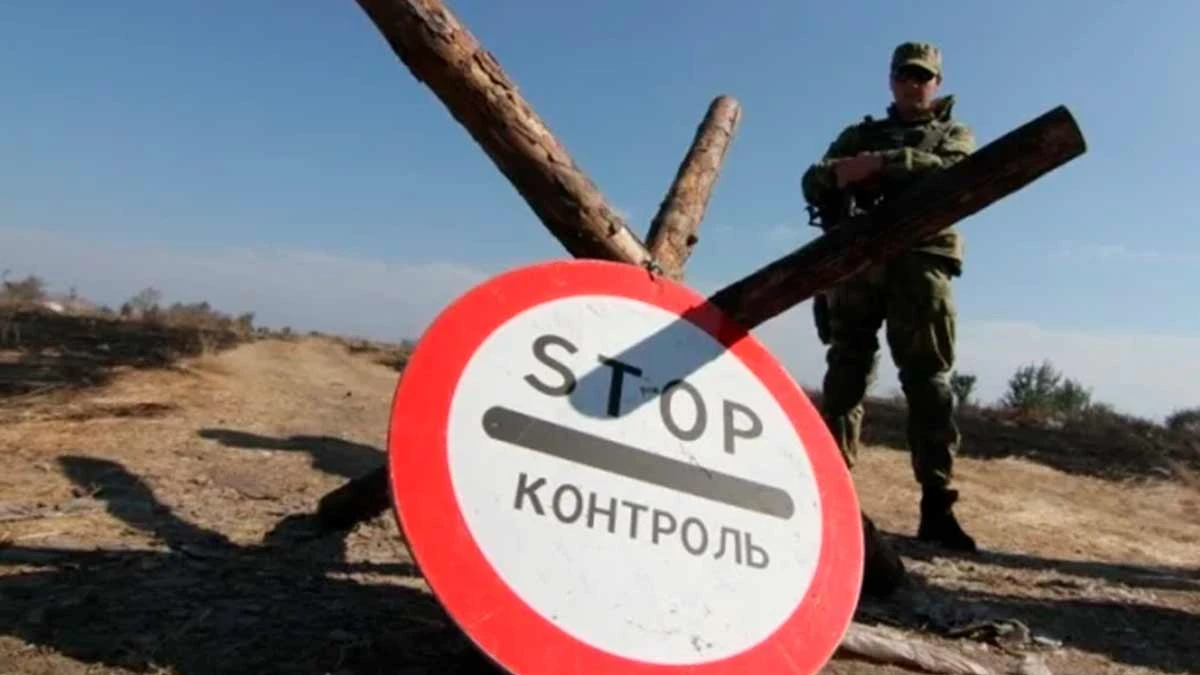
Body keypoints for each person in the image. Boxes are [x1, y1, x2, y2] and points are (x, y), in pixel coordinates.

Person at [800, 41, 977, 552]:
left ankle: (937, 505)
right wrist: (839, 174)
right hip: (859, 263)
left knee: (929, 383)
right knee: (845, 376)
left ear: (937, 83)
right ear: (891, 79)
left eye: (922, 76)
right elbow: (813, 180)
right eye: (904, 75)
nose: (912, 84)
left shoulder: (954, 134)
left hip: (922, 264)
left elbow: (957, 174)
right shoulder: (859, 134)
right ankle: (830, 496)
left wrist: (881, 164)